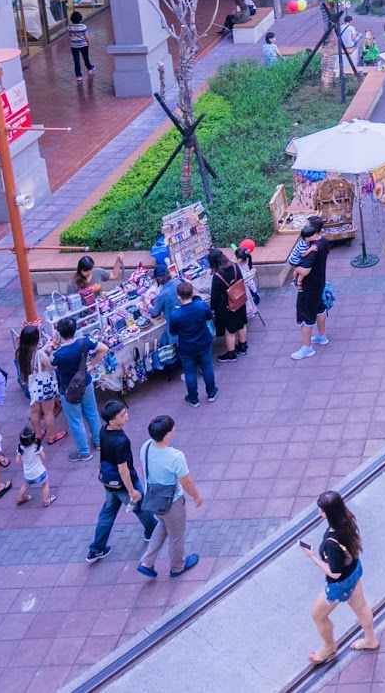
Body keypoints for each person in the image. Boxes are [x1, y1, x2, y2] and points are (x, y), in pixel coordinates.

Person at [299, 489, 380, 665]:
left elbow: (334, 572)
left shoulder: (331, 544)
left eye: (321, 509)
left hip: (339, 583)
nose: (319, 512)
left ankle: (329, 648)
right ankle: (370, 639)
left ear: (327, 513)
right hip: (354, 572)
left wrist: (312, 557)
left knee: (318, 615)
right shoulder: (348, 521)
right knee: (361, 607)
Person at [86, 399, 155, 563]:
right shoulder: (121, 441)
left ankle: (96, 549)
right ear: (112, 421)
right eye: (122, 415)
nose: (126, 416)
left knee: (107, 513)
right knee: (141, 507)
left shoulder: (103, 431)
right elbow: (123, 470)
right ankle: (152, 531)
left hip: (109, 483)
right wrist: (132, 490)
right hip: (124, 484)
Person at [136, 414, 204, 580]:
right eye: (172, 428)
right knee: (176, 535)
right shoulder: (175, 457)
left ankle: (147, 562)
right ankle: (177, 566)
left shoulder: (145, 446)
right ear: (167, 435)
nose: (175, 430)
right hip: (172, 502)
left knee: (163, 525)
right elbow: (186, 482)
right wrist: (196, 496)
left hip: (153, 498)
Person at [52, 315, 106, 459]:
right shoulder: (85, 342)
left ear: (59, 333)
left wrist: (54, 346)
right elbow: (104, 348)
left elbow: (51, 365)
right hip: (85, 382)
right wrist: (93, 364)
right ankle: (98, 442)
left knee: (76, 421)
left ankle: (84, 452)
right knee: (92, 413)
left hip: (68, 388)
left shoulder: (58, 354)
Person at [168, 278, 217, 406]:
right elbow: (209, 317)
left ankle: (193, 398)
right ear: (192, 293)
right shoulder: (201, 306)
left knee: (190, 373)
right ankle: (211, 392)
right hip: (204, 342)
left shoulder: (175, 315)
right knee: (207, 367)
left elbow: (173, 332)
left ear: (179, 297)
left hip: (187, 347)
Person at [291, 215, 331, 359]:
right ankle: (321, 336)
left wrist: (294, 266)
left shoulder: (312, 250)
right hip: (320, 283)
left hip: (308, 288)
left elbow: (305, 270)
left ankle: (307, 348)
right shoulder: (324, 242)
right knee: (320, 309)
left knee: (305, 317)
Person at [15, 324, 61, 446]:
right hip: (44, 385)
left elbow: (36, 355)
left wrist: (46, 346)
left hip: (31, 385)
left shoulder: (20, 352)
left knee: (35, 411)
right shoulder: (39, 355)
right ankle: (52, 436)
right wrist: (53, 349)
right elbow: (52, 365)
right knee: (48, 412)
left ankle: (37, 433)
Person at [210, 248, 249, 361]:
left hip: (226, 306)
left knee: (230, 330)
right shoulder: (234, 266)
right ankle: (243, 346)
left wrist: (213, 308)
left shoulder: (217, 276)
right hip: (239, 300)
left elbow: (215, 294)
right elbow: (241, 280)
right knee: (241, 324)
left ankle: (231, 354)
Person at [14, 425, 54, 506]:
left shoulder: (20, 449)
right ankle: (46, 501)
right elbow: (43, 457)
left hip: (28, 474)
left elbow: (17, 461)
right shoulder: (36, 448)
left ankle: (20, 499)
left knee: (26, 485)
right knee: (45, 484)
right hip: (39, 472)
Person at [68, 14, 95, 80]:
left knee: (76, 60)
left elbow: (70, 35)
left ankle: (78, 75)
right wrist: (88, 43)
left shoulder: (69, 27)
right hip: (83, 44)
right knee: (85, 58)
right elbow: (86, 36)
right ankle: (89, 68)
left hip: (74, 45)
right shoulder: (83, 26)